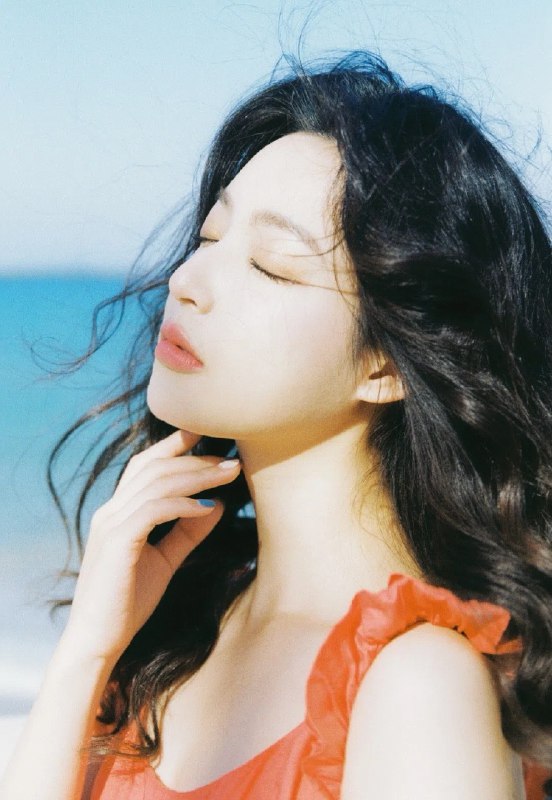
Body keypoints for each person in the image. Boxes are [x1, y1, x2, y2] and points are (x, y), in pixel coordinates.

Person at [2, 49, 552, 800]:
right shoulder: (174, 629)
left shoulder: (420, 687)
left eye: (272, 266)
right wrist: (87, 651)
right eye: (209, 238)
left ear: (387, 364)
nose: (186, 282)